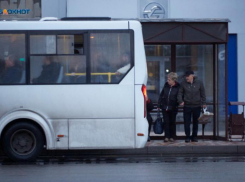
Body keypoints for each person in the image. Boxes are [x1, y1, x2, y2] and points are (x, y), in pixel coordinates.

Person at [177, 70, 206, 143]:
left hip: (197, 106)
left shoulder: (199, 83)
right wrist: (180, 101)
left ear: (192, 76)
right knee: (187, 122)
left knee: (196, 122)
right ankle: (187, 137)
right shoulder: (183, 83)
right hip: (187, 106)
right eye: (186, 76)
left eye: (188, 76)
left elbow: (203, 93)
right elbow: (180, 93)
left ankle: (194, 136)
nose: (186, 77)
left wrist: (203, 103)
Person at [158, 72, 180, 142]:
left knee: (172, 122)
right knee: (166, 122)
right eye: (167, 79)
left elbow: (179, 97)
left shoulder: (178, 87)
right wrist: (159, 105)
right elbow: (161, 95)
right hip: (165, 107)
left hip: (173, 108)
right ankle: (166, 136)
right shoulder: (166, 85)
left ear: (174, 80)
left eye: (169, 79)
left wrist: (178, 103)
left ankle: (172, 136)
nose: (168, 81)